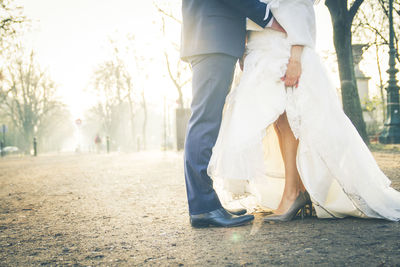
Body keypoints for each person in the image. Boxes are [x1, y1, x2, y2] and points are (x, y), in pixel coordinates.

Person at [208, 0, 400, 222]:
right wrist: (244, 49)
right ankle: (296, 189)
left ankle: (294, 193)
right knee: (279, 122)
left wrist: (296, 57)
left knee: (289, 118)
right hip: (259, 49)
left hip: (282, 48)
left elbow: (300, 9)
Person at [181, 0, 286, 227]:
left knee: (207, 120)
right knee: (205, 121)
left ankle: (206, 203)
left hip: (212, 38)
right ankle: (203, 207)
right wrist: (266, 15)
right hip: (212, 39)